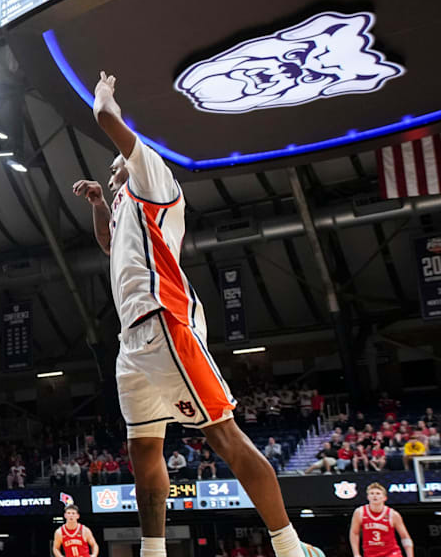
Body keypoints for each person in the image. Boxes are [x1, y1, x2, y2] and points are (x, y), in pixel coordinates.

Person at [71, 71, 306, 557]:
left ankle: (289, 547)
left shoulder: (153, 175)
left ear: (131, 161)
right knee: (143, 451)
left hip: (164, 323)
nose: (111, 171)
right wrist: (99, 204)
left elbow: (104, 118)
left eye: (116, 166)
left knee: (224, 436)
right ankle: (153, 552)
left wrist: (105, 95)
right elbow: (109, 244)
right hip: (131, 343)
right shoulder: (122, 206)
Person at [349, 483, 413, 557]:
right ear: (368, 497)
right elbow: (354, 533)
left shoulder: (393, 514)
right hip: (370, 554)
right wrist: (356, 554)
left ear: (384, 498)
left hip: (391, 553)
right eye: (372, 493)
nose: (374, 496)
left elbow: (405, 537)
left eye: (378, 493)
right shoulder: (360, 512)